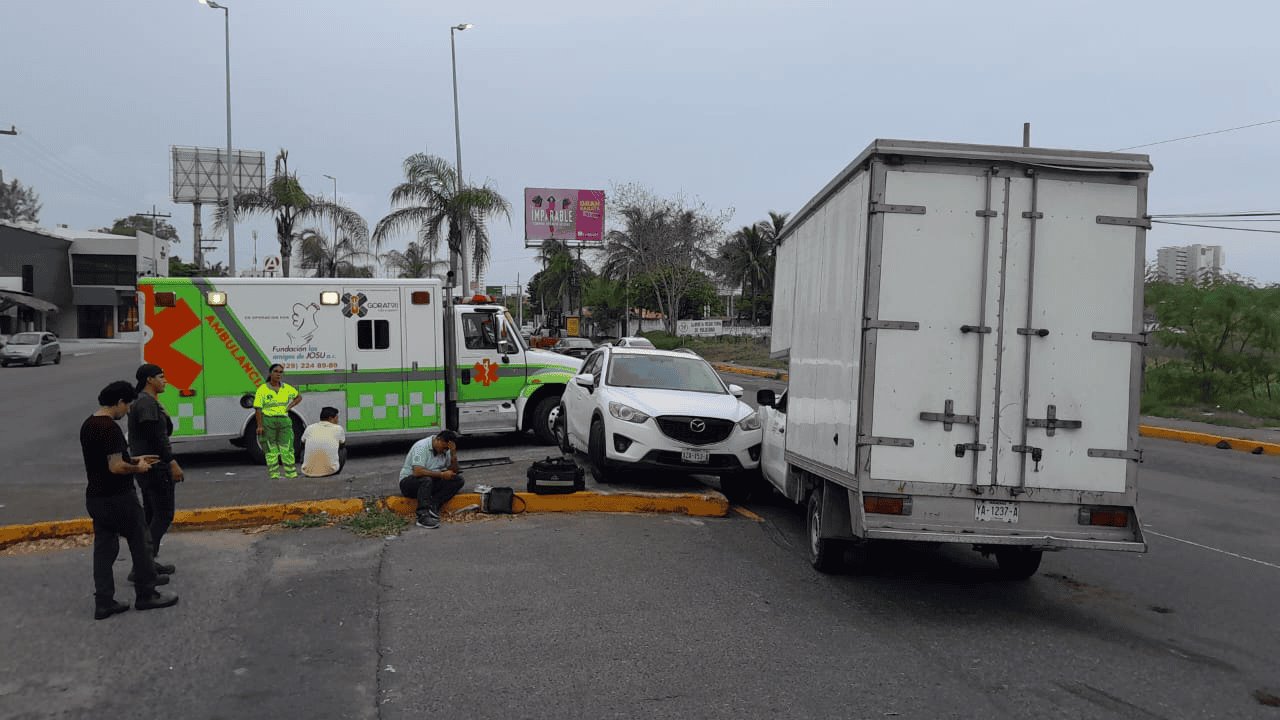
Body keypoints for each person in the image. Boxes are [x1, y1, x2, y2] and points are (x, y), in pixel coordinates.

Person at [80, 380, 179, 620]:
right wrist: (139, 468)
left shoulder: (89, 424)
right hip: (119, 497)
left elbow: (107, 460)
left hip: (96, 497)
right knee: (141, 543)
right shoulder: (109, 428)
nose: (127, 412)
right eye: (127, 406)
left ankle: (104, 602)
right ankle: (146, 594)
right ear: (120, 402)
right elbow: (115, 467)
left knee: (104, 550)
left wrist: (134, 458)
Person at [129, 364, 184, 573]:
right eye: (161, 377)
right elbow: (158, 437)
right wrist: (172, 463)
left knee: (152, 516)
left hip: (149, 467)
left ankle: (146, 563)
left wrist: (163, 412)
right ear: (149, 380)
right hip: (155, 467)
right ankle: (143, 566)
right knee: (163, 514)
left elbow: (164, 431)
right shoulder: (146, 404)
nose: (165, 380)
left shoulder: (149, 403)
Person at [398, 429, 462, 529]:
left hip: (431, 481)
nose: (445, 451)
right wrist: (441, 475)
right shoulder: (421, 447)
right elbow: (417, 472)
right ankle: (422, 516)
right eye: (444, 448)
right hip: (409, 482)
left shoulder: (447, 449)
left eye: (447, 449)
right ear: (438, 439)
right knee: (426, 480)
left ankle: (433, 505)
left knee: (458, 480)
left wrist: (453, 454)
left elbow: (454, 470)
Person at [253, 363, 302, 479]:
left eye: (281, 372)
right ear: (270, 373)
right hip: (268, 421)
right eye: (276, 371)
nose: (278, 374)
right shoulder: (263, 389)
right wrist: (259, 426)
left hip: (284, 421)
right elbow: (258, 409)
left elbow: (298, 397)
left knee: (287, 448)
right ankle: (274, 474)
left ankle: (291, 474)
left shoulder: (286, 388)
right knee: (271, 449)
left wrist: (290, 406)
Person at [300, 406, 346, 478]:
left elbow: (302, 444)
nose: (338, 420)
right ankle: (335, 471)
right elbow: (342, 446)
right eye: (336, 418)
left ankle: (308, 466)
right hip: (331, 471)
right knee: (343, 450)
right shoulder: (338, 429)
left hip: (307, 472)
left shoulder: (310, 428)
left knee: (304, 447)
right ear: (331, 418)